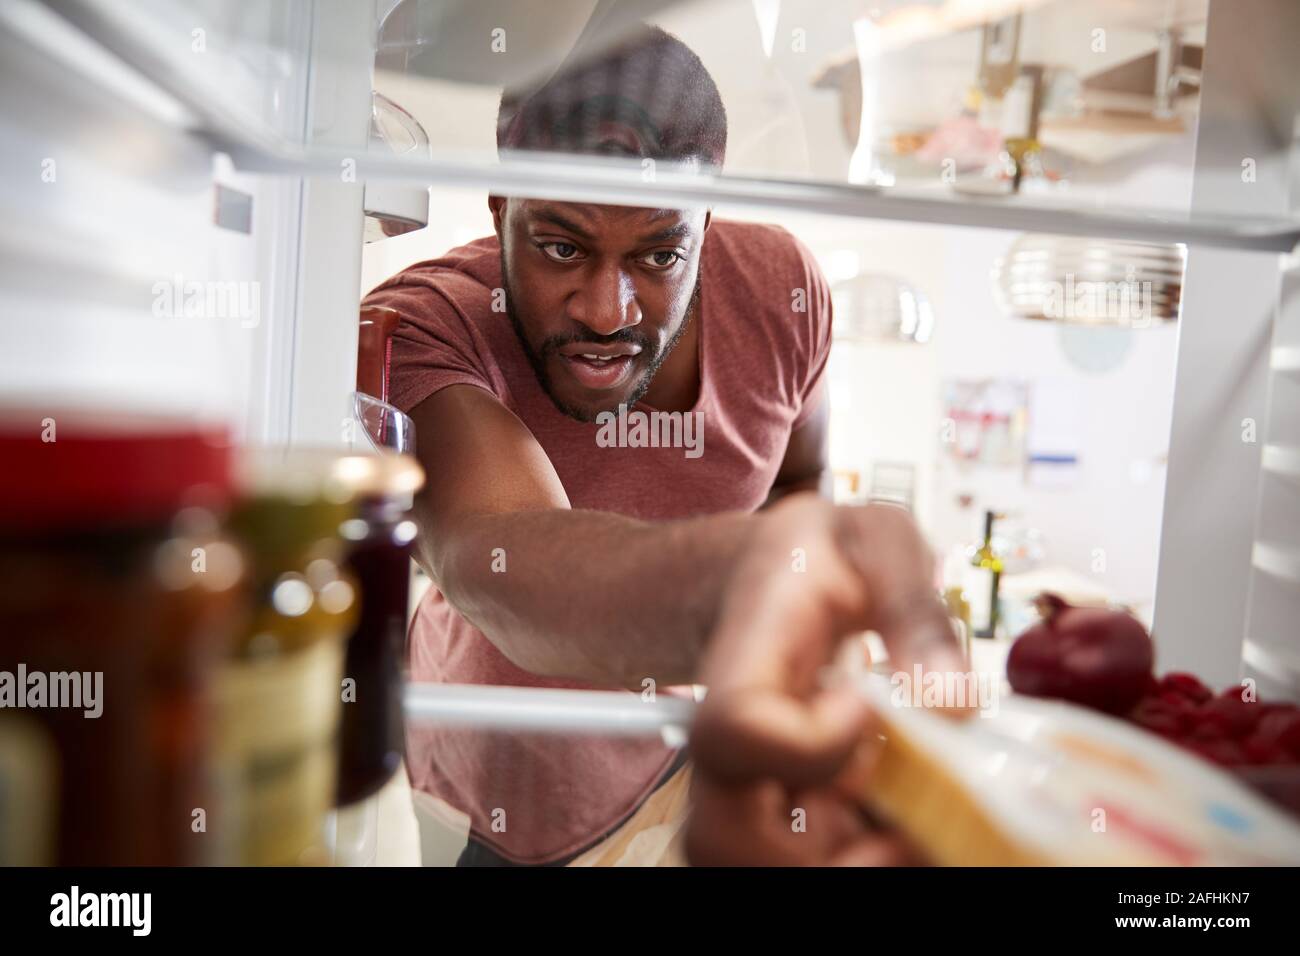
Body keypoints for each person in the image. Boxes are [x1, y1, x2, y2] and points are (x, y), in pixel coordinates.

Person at [363, 23, 962, 866]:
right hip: (471, 789)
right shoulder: (426, 322)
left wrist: (788, 630)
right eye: (561, 246)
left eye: (658, 252)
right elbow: (497, 557)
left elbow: (798, 477)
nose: (607, 311)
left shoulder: (782, 293)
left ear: (705, 226)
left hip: (677, 772)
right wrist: (759, 589)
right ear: (501, 211)